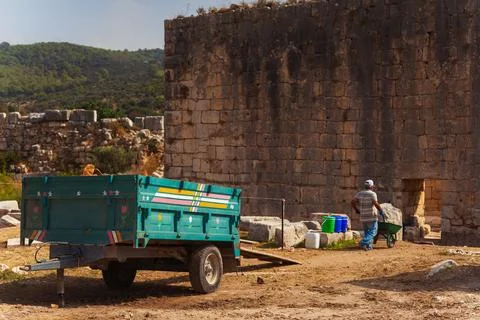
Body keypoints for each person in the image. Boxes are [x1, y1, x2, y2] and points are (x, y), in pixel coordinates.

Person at [351, 179, 384, 251]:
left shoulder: (360, 194)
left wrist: (356, 209)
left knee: (367, 232)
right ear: (372, 186)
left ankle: (368, 246)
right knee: (373, 232)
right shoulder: (372, 194)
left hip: (363, 216)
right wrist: (381, 210)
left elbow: (352, 201)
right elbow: (375, 203)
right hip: (371, 216)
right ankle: (363, 242)